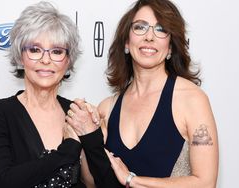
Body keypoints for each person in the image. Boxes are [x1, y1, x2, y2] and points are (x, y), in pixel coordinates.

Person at [66, 0, 219, 187]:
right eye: (140, 27)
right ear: (127, 43)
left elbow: (205, 183)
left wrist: (132, 180)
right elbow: (92, 183)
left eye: (161, 29)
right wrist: (87, 141)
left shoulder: (192, 99)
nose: (149, 37)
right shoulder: (107, 108)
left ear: (170, 47)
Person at [0, 1, 92, 188]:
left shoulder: (76, 113)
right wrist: (68, 150)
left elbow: (93, 183)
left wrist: (93, 139)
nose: (46, 60)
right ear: (20, 56)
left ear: (68, 61)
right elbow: (5, 181)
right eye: (35, 50)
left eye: (56, 51)